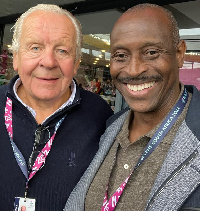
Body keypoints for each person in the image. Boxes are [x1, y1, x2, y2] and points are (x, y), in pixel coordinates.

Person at [64, 3, 200, 211]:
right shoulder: (110, 126)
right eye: (121, 55)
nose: (134, 70)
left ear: (180, 54)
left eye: (151, 52)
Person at [0, 4, 113, 211]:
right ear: (15, 57)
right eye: (35, 48)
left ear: (76, 62)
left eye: (62, 50)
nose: (49, 62)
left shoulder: (100, 115)